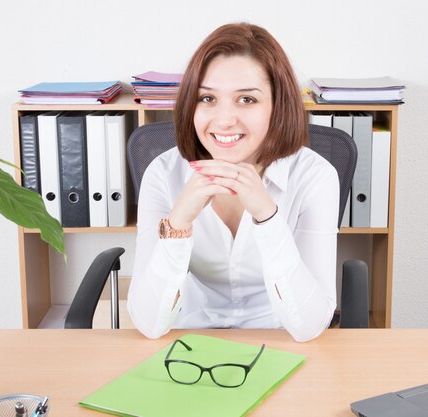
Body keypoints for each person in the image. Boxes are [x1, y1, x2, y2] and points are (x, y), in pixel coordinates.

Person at [127, 22, 339, 342]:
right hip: (190, 340)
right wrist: (179, 222)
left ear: (277, 106)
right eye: (208, 99)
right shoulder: (163, 173)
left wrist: (268, 217)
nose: (224, 120)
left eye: (247, 100)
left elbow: (308, 326)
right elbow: (148, 324)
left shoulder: (314, 175)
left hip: (280, 337)